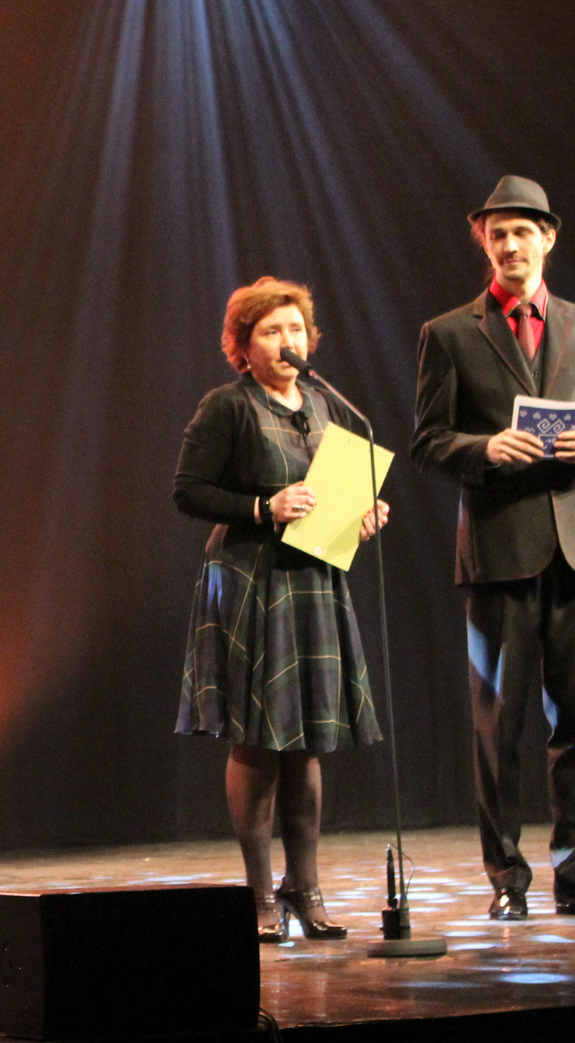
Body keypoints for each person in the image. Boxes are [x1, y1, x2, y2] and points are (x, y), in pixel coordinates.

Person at [411, 176, 575, 920]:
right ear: (483, 240)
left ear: (548, 238)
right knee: (498, 726)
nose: (510, 245)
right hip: (500, 549)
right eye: (498, 233)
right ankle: (507, 879)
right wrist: (484, 448)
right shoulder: (450, 333)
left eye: (523, 232)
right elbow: (428, 441)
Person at [174, 277, 387, 942]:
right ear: (243, 346)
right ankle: (260, 894)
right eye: (271, 331)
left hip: (314, 576)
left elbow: (333, 489)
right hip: (251, 578)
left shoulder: (322, 403)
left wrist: (362, 512)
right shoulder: (227, 406)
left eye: (295, 329)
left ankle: (306, 886)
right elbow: (188, 491)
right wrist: (262, 507)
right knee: (261, 737)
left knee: (309, 738)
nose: (286, 340)